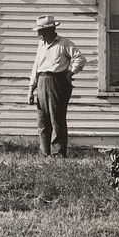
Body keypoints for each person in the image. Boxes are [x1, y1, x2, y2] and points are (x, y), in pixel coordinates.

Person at [27, 15, 85, 158]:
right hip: (42, 81)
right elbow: (36, 67)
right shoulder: (41, 45)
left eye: (41, 31)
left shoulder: (64, 43)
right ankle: (44, 153)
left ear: (50, 30)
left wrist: (70, 73)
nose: (38, 34)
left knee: (57, 119)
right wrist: (31, 90)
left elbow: (80, 59)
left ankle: (58, 153)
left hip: (57, 82)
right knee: (42, 120)